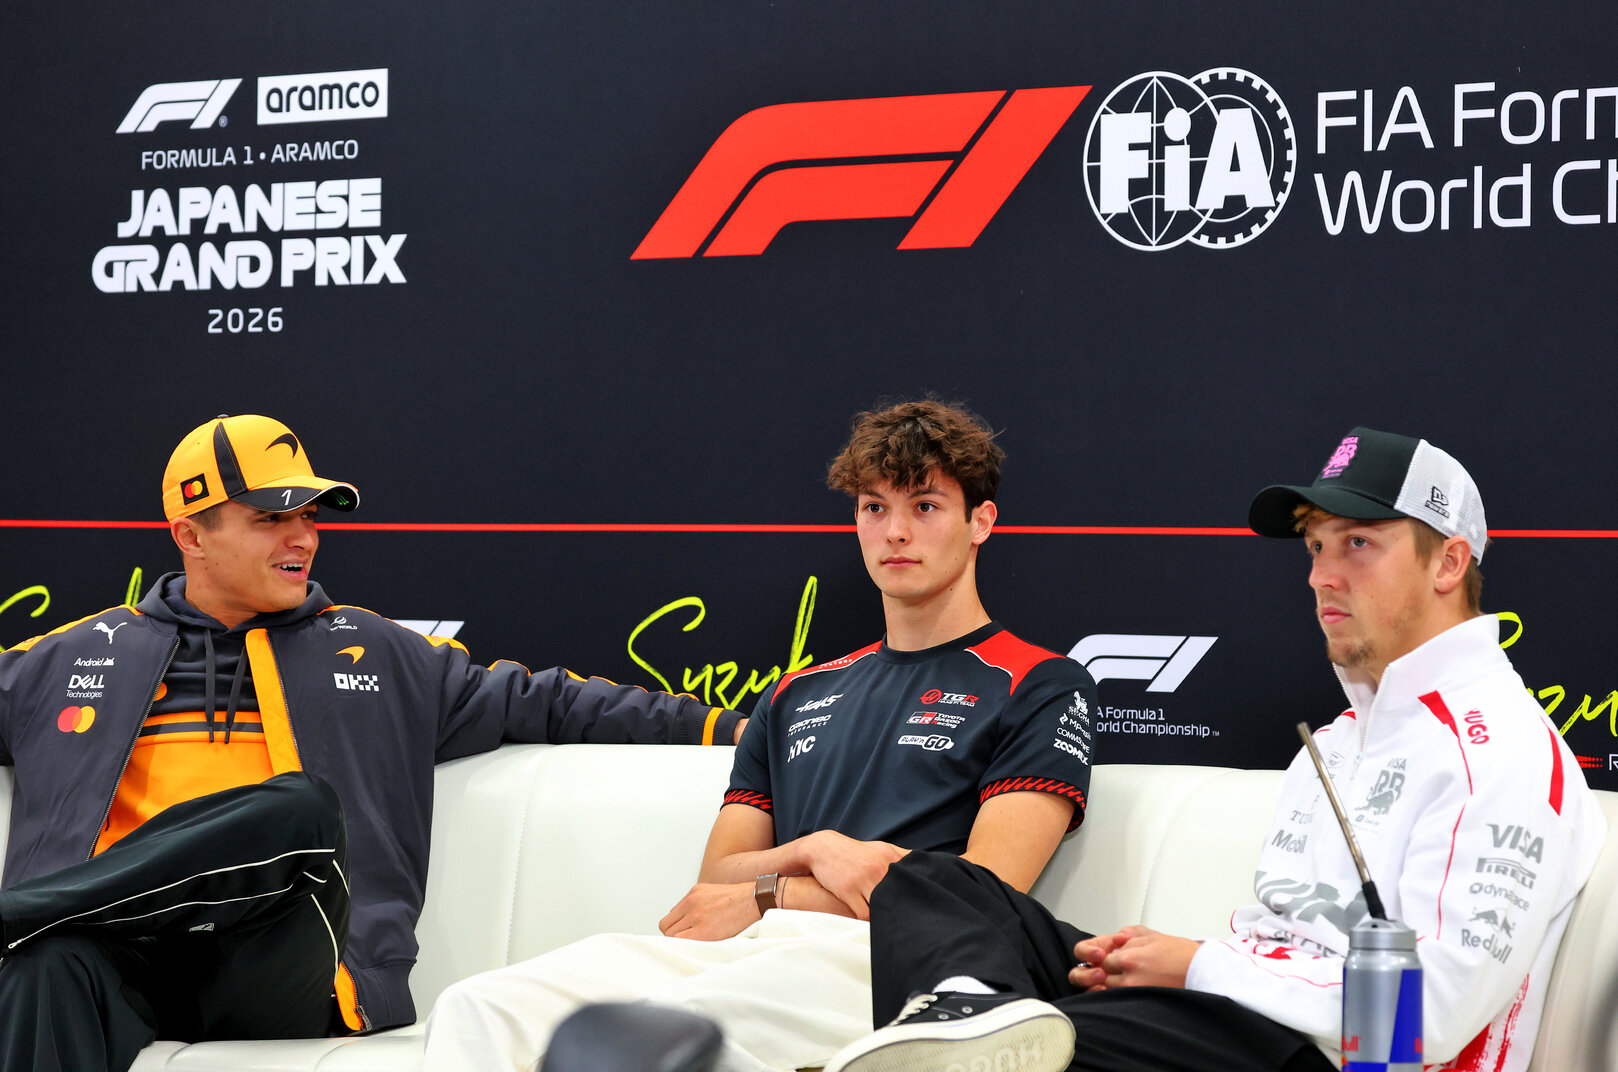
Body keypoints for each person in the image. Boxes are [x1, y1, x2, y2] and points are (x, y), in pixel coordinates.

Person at [824, 426, 1605, 1072]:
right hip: (1235, 1018)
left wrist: (1197, 966)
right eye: (1314, 547)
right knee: (934, 884)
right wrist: (1175, 969)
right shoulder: (1333, 746)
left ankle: (988, 1042)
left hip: (1336, 1058)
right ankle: (975, 1027)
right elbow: (1279, 942)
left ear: (1449, 562)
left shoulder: (1498, 750)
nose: (1322, 577)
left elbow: (1420, 1023)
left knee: (1048, 1046)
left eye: (1359, 544)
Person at [0, 413, 742, 1072]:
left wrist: (742, 729)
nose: (303, 537)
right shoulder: (64, 660)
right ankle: (42, 921)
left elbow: (551, 701)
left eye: (312, 516)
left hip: (280, 969)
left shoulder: (378, 651)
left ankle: (31, 909)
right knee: (43, 967)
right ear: (190, 534)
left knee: (299, 814)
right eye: (270, 517)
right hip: (118, 957)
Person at [422, 399, 1099, 1072]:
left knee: (681, 1031)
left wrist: (769, 890)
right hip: (746, 941)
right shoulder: (795, 691)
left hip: (893, 958)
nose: (895, 532)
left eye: (924, 506)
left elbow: (981, 889)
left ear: (981, 521)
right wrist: (821, 851)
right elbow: (716, 873)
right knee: (478, 1007)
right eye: (873, 507)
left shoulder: (1039, 681)